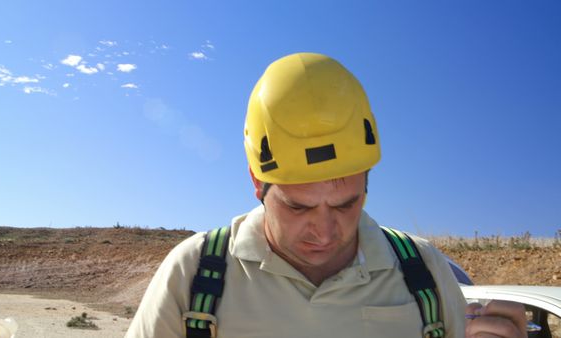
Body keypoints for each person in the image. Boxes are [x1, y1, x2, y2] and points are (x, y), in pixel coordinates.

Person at [125, 53, 527, 338]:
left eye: (346, 203)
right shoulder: (194, 274)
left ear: (367, 181)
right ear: (257, 182)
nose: (324, 231)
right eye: (298, 206)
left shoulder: (423, 270)